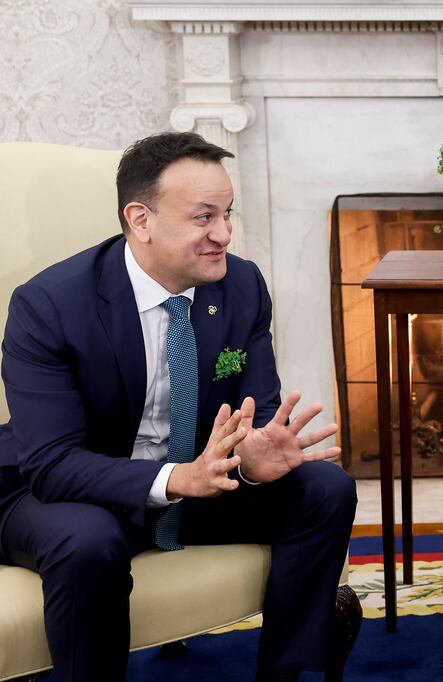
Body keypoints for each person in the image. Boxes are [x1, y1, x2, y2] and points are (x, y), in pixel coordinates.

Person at [0, 132, 357, 682]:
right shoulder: (49, 305)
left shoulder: (241, 285)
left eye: (228, 213)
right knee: (87, 542)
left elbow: (255, 411)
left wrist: (257, 460)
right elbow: (51, 464)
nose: (224, 233)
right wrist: (176, 479)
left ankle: (288, 674)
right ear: (141, 220)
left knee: (325, 489)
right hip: (72, 489)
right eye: (203, 217)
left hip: (200, 480)